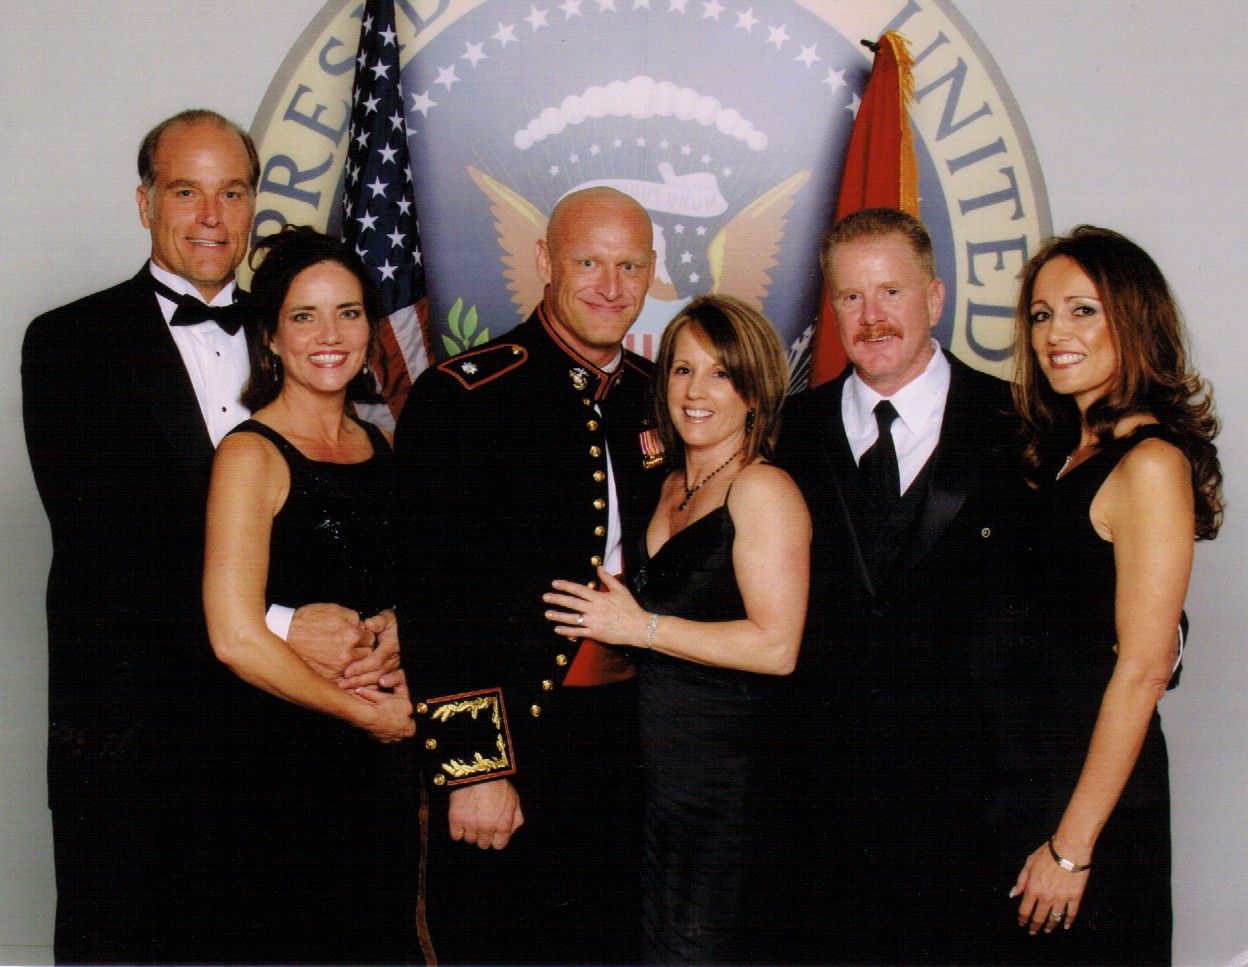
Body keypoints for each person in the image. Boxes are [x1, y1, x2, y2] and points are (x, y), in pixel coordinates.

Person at [21, 110, 396, 964]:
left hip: (283, 749)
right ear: (145, 202)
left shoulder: (304, 335)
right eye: (186, 192)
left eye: (232, 192)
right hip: (139, 745)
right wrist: (278, 620)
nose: (212, 217)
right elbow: (105, 551)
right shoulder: (68, 343)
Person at [394, 186, 665, 965]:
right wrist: (474, 768)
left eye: (629, 266)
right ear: (545, 261)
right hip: (520, 740)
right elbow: (433, 598)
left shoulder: (660, 396)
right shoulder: (465, 397)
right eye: (588, 262)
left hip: (635, 747)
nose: (610, 286)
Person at [776, 207, 1026, 965]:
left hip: (975, 820)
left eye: (891, 291)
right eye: (850, 296)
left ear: (936, 297)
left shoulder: (1018, 425)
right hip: (820, 822)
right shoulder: (785, 431)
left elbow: (1081, 582)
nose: (872, 316)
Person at [542, 294, 811, 964]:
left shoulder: (763, 489)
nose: (696, 391)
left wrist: (642, 627)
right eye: (681, 369)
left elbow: (778, 647)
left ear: (755, 390)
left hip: (729, 789)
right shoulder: (665, 483)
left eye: (721, 373)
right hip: (658, 781)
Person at [982, 226, 1222, 965]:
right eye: (1043, 313)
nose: (1057, 333)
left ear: (1134, 319)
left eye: (1083, 310)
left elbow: (1146, 665)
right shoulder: (1061, 452)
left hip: (1087, 808)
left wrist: (1072, 847)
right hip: (1022, 788)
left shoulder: (1150, 462)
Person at [202, 226, 418, 964]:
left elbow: (398, 585)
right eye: (304, 316)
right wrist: (367, 713)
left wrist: (399, 623)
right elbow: (234, 634)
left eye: (349, 312)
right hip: (284, 769)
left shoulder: (380, 446)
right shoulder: (249, 454)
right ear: (269, 337)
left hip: (379, 776)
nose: (330, 335)